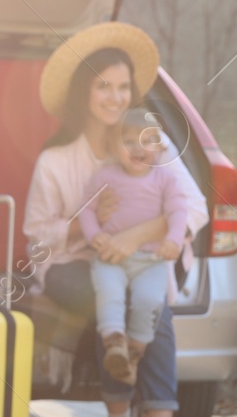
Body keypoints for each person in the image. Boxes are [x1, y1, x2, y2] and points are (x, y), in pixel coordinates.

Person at [24, 22, 209, 417]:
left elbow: (196, 208)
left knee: (151, 307)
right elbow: (35, 241)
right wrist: (83, 219)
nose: (115, 97)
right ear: (83, 90)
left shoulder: (153, 146)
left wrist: (139, 234)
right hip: (72, 267)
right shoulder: (57, 161)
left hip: (141, 261)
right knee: (118, 304)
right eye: (103, 85)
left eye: (123, 87)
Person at [79, 107, 190, 384]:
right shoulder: (106, 176)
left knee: (149, 300)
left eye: (147, 140)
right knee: (109, 294)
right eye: (128, 141)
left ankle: (134, 352)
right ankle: (114, 343)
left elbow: (178, 212)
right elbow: (87, 210)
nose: (138, 148)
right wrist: (94, 235)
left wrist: (173, 240)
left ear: (159, 146)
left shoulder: (166, 178)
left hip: (150, 260)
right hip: (110, 258)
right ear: (113, 147)